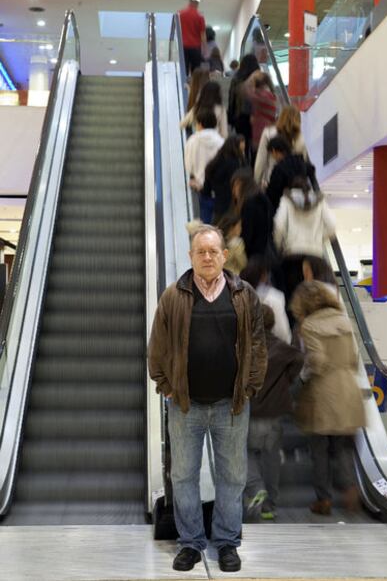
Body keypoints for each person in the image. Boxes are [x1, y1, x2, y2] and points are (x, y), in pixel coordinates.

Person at [148, 225, 267, 572]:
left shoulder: (244, 295)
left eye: (213, 251)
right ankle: (190, 543)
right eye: (200, 251)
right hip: (186, 405)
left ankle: (227, 543)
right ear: (191, 256)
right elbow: (157, 348)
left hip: (231, 405)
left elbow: (258, 345)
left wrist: (250, 387)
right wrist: (166, 386)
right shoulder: (174, 295)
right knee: (183, 476)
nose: (207, 257)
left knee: (232, 477)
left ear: (224, 256)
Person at [290, 280, 365, 515]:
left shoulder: (310, 325)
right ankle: (351, 490)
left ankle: (324, 500)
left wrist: (300, 380)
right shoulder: (344, 320)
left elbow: (317, 361)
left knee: (319, 449)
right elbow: (354, 356)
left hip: (323, 392)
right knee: (343, 447)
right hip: (348, 389)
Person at [245, 304, 303, 521]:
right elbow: (299, 360)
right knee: (271, 458)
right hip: (275, 413)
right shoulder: (283, 349)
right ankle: (269, 505)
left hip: (251, 411)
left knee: (245, 453)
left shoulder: (243, 348)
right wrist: (286, 381)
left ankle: (255, 487)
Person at [273, 175, 336, 314]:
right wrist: (318, 240)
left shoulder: (286, 200)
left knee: (293, 298)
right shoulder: (320, 201)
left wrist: (279, 246)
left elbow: (278, 226)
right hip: (315, 258)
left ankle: (295, 331)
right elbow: (332, 226)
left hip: (292, 256)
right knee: (315, 298)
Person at [184, 109, 224, 223]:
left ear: (200, 124)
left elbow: (188, 166)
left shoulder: (192, 141)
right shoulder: (221, 142)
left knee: (204, 223)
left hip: (201, 187)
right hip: (219, 189)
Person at [254, 105, 308, 188]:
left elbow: (261, 161)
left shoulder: (268, 132)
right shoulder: (301, 139)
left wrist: (256, 182)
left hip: (271, 182)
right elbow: (303, 165)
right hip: (292, 185)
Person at [202, 134, 245, 223]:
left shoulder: (213, 164)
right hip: (233, 208)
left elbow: (206, 191)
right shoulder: (236, 165)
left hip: (219, 208)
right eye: (241, 150)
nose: (242, 152)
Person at [228, 54, 260, 160]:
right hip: (256, 117)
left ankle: (243, 163)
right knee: (255, 145)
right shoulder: (260, 78)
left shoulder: (236, 79)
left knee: (242, 144)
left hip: (240, 117)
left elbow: (231, 99)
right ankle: (254, 167)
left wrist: (231, 117)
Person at [244, 70, 277, 161]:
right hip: (268, 129)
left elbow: (246, 89)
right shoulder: (270, 95)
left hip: (261, 132)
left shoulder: (261, 96)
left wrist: (252, 76)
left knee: (260, 159)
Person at [179, 0, 206, 75]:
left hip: (183, 46)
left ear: (189, 2)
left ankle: (184, 85)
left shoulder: (180, 13)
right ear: (196, 4)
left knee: (184, 69)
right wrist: (205, 49)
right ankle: (194, 85)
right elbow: (203, 34)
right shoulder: (200, 16)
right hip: (195, 47)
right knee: (196, 71)